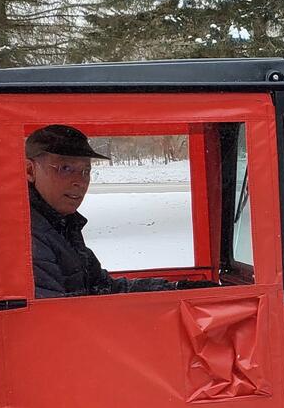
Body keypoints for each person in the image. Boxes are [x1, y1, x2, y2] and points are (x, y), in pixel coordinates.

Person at [25, 124, 175, 298]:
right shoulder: (27, 237)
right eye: (65, 168)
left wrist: (174, 288)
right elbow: (53, 311)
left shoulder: (62, 225)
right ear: (30, 170)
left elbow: (102, 287)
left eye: (86, 171)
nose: (80, 182)